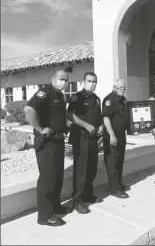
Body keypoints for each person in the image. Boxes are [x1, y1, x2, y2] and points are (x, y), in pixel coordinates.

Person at [24, 70, 71, 227]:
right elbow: (28, 110)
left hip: (58, 140)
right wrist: (39, 128)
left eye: (65, 80)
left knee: (58, 176)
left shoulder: (60, 96)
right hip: (46, 141)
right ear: (52, 79)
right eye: (60, 79)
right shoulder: (44, 93)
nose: (63, 82)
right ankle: (44, 216)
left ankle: (55, 207)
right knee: (47, 178)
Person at [67, 72, 103, 214]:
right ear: (84, 82)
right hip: (81, 137)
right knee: (81, 169)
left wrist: (100, 125)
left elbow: (98, 116)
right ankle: (78, 201)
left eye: (94, 81)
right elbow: (70, 115)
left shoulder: (97, 99)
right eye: (89, 81)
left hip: (93, 138)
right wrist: (86, 125)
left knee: (91, 167)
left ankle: (88, 195)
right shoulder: (77, 97)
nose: (92, 84)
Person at [102, 79, 129, 199]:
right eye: (120, 87)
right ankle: (114, 189)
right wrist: (112, 135)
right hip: (111, 135)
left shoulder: (122, 99)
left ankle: (118, 183)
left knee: (119, 160)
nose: (122, 89)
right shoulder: (109, 100)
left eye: (124, 87)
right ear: (114, 87)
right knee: (112, 162)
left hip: (121, 134)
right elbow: (106, 118)